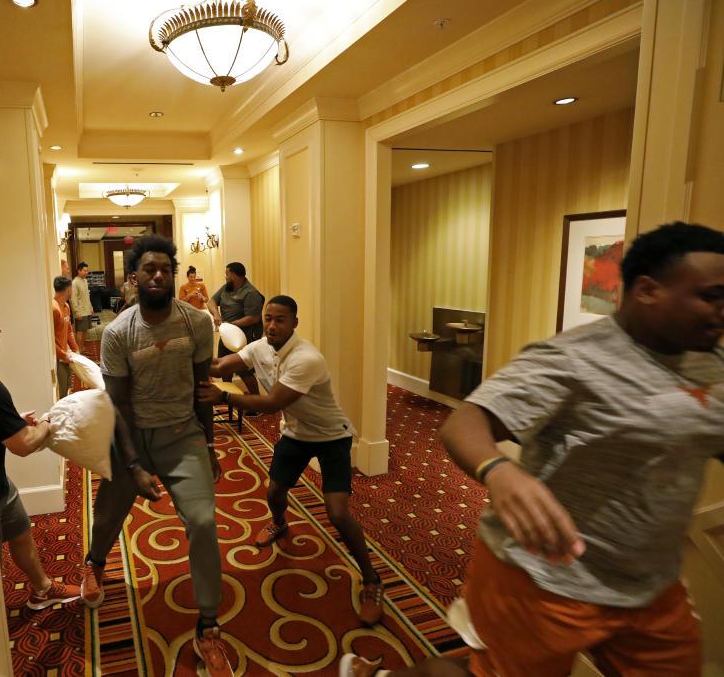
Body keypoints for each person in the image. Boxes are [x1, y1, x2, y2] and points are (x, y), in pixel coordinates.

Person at [341, 221, 724, 677]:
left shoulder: (709, 360)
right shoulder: (574, 358)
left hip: (652, 586)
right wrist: (500, 471)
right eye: (711, 295)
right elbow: (467, 420)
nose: (721, 310)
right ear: (647, 290)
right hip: (541, 577)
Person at [80, 235, 233, 676]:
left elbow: (203, 391)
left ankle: (208, 627)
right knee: (109, 513)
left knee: (204, 523)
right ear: (134, 277)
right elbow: (119, 405)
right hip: (131, 437)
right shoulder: (117, 332)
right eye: (149, 269)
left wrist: (209, 447)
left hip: (183, 435)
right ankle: (95, 562)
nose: (159, 275)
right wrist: (133, 465)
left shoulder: (196, 323)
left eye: (165, 268)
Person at [197, 295, 385, 626]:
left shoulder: (306, 358)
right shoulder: (258, 348)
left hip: (331, 437)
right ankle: (280, 523)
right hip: (295, 435)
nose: (272, 324)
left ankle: (371, 580)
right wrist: (184, 354)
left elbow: (271, 403)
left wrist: (224, 396)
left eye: (280, 319)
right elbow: (218, 367)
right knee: (274, 493)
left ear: (294, 323)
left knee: (338, 514)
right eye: (268, 318)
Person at [0, 298, 82, 609]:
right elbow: (24, 445)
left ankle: (42, 588)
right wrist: (48, 422)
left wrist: (11, 422)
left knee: (21, 533)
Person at [206, 262, 263, 396]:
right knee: (224, 368)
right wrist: (216, 314)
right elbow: (211, 302)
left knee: (244, 371)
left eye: (227, 274)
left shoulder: (251, 293)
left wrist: (232, 324)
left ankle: (257, 401)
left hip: (243, 338)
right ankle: (228, 397)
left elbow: (254, 318)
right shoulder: (226, 288)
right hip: (227, 336)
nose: (225, 277)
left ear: (235, 275)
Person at [52, 275, 79, 398]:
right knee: (62, 392)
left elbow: (69, 331)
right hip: (58, 358)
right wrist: (63, 355)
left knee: (69, 388)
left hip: (66, 354)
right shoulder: (54, 309)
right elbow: (51, 340)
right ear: (69, 290)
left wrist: (75, 349)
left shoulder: (66, 306)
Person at [72, 261, 93, 348]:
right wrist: (77, 312)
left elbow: (87, 296)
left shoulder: (85, 281)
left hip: (87, 310)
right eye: (84, 271)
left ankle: (82, 348)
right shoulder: (74, 282)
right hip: (80, 311)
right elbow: (73, 298)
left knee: (85, 331)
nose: (86, 273)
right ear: (79, 271)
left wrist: (91, 308)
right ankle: (79, 351)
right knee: (80, 331)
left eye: (87, 271)